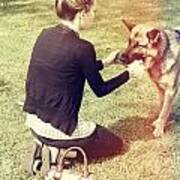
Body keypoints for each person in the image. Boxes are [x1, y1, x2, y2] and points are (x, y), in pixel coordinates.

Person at [23, 0, 144, 176]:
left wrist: (106, 62)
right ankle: (59, 157)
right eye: (93, 11)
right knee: (115, 143)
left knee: (97, 137)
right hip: (59, 128)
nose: (94, 15)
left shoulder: (45, 34)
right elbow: (100, 89)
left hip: (34, 121)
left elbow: (70, 67)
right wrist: (129, 74)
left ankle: (47, 147)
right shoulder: (83, 47)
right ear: (82, 13)